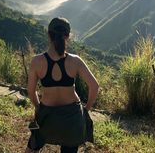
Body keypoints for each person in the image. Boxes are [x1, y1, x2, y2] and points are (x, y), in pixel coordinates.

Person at [25, 17, 99, 153]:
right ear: (67, 36)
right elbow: (94, 86)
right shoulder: (75, 61)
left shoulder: (37, 61)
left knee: (33, 146)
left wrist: (38, 107)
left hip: (47, 116)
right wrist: (86, 110)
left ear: (48, 35)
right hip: (72, 118)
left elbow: (31, 90)